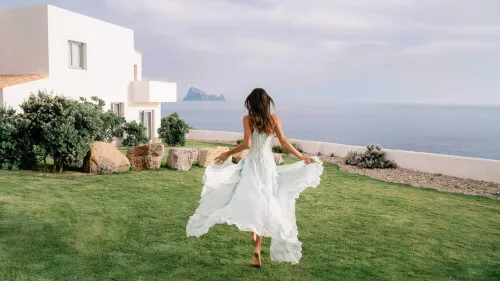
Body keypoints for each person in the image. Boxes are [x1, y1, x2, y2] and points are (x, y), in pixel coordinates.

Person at [186, 88, 324, 267]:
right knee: (265, 200)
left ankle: (254, 231)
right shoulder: (274, 119)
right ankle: (257, 247)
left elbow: (247, 144)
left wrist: (227, 153)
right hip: (266, 164)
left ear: (251, 102)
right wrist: (301, 156)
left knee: (249, 195)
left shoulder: (248, 119)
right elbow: (283, 141)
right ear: (266, 102)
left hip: (252, 163)